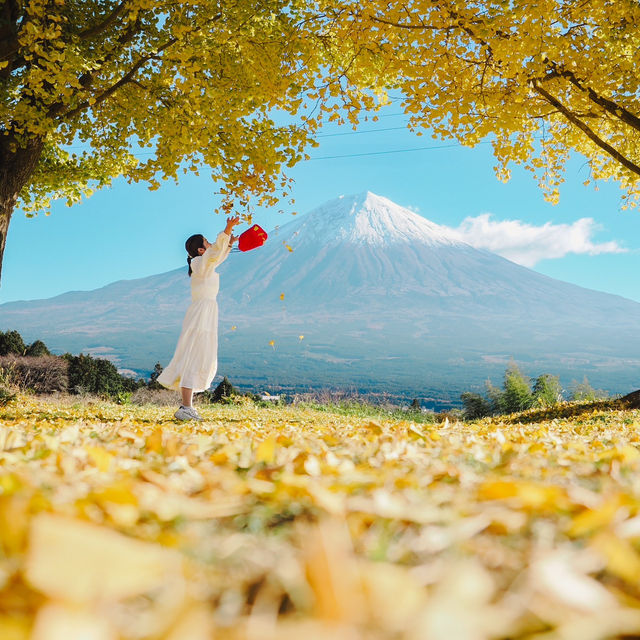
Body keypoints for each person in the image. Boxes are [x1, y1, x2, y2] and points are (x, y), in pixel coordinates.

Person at [157, 215, 240, 420]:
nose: (211, 244)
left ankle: (187, 407)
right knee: (193, 354)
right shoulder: (199, 263)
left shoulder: (204, 263)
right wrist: (227, 229)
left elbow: (217, 256)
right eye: (207, 242)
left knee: (200, 354)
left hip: (207, 312)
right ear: (201, 250)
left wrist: (228, 243)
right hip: (201, 314)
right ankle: (185, 408)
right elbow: (214, 254)